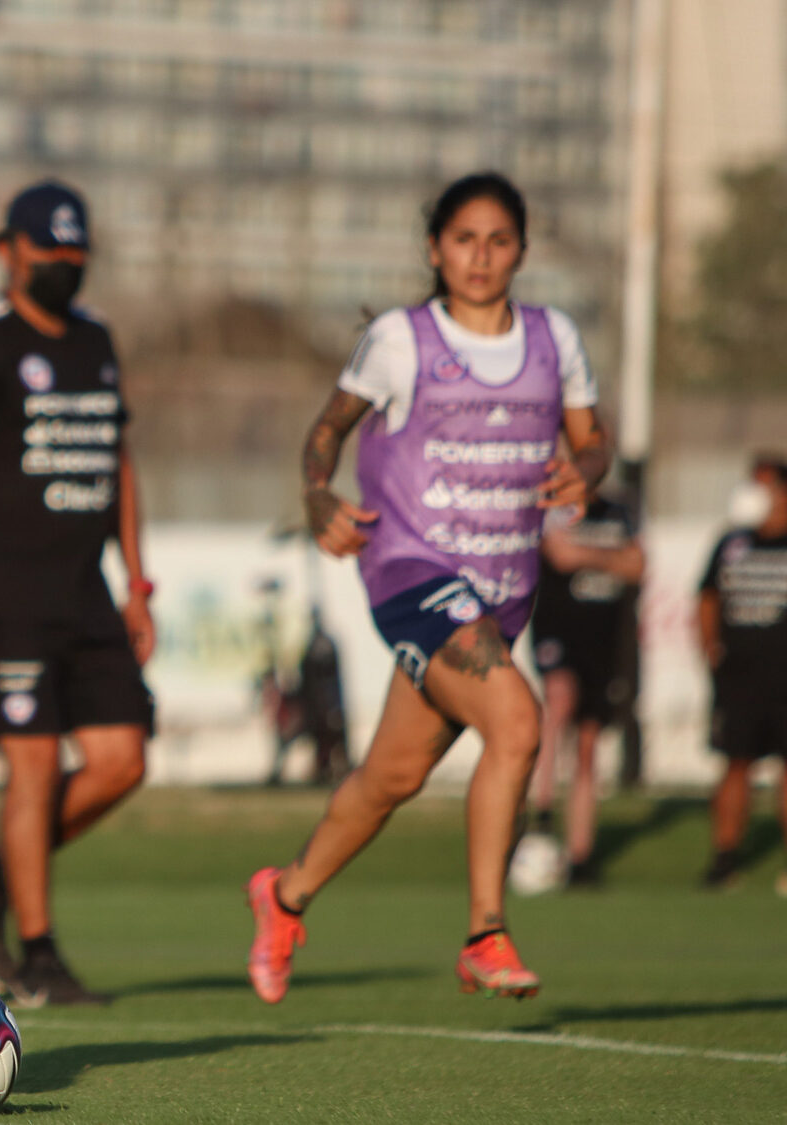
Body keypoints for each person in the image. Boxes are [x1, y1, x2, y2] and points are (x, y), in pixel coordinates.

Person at [245, 172, 610, 1003]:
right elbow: (328, 428)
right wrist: (316, 494)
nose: (480, 257)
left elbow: (594, 443)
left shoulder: (556, 338)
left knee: (392, 777)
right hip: (411, 570)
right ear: (434, 249)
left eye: (499, 241)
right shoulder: (405, 340)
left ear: (521, 249)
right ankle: (487, 931)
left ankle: (285, 892)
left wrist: (581, 470)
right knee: (520, 720)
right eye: (463, 240)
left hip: (502, 591)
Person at [0, 182, 154, 1008]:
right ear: (8, 250)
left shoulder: (96, 339)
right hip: (5, 594)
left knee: (123, 761)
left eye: (73, 252)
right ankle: (41, 954)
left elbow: (117, 461)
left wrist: (137, 581)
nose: (62, 264)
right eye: (46, 250)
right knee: (34, 762)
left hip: (88, 594)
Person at [521, 487, 644, 888]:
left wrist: (589, 556)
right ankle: (539, 814)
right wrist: (612, 559)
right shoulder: (553, 506)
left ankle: (580, 855)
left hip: (603, 638)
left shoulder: (617, 513)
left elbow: (638, 565)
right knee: (559, 700)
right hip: (559, 630)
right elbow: (559, 554)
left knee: (589, 743)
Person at [696, 455, 787, 894]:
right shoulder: (732, 542)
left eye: (763, 486)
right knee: (735, 764)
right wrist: (711, 651)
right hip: (740, 677)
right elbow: (707, 597)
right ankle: (724, 859)